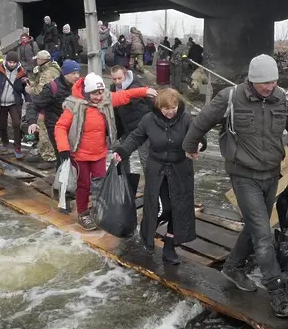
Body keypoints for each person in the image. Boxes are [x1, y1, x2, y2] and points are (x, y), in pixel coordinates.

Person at [182, 54, 288, 319]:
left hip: (271, 173)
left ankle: (233, 267)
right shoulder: (230, 97)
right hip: (243, 175)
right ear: (252, 79)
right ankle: (276, 291)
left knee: (255, 225)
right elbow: (202, 121)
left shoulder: (282, 97)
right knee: (264, 234)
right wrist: (190, 146)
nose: (269, 87)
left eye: (273, 81)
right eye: (264, 83)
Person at [113, 88, 206, 264]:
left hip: (181, 170)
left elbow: (198, 136)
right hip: (157, 170)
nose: (171, 112)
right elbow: (135, 137)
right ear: (159, 107)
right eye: (166, 109)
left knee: (178, 210)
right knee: (162, 207)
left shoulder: (186, 119)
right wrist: (122, 151)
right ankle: (147, 234)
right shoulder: (149, 119)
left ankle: (169, 246)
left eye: (174, 107)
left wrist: (199, 145)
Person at [54, 72, 157, 230]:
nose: (99, 96)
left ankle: (98, 210)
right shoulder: (74, 105)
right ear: (87, 92)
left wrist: (144, 91)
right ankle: (83, 213)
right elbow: (60, 127)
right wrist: (63, 148)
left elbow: (124, 95)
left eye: (101, 92)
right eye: (95, 93)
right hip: (79, 154)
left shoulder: (106, 100)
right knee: (84, 185)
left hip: (99, 152)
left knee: (100, 183)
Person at [25, 59, 81, 169]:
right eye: (73, 73)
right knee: (63, 158)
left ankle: (72, 181)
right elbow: (34, 104)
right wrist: (32, 122)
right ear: (65, 74)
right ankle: (62, 182)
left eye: (78, 73)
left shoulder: (79, 86)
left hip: (74, 127)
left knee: (76, 158)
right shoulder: (52, 88)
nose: (77, 76)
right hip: (56, 128)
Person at [0, 51, 30, 158]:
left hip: (14, 103)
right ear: (6, 61)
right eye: (10, 62)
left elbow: (25, 89)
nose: (12, 64)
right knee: (2, 125)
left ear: (17, 62)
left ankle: (17, 147)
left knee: (17, 124)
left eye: (14, 62)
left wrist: (28, 100)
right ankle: (4, 142)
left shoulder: (22, 72)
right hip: (0, 102)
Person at [110, 65, 152, 174]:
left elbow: (150, 106)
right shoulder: (113, 89)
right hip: (126, 130)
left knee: (145, 159)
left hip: (142, 130)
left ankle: (152, 186)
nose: (117, 81)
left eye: (120, 78)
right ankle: (124, 183)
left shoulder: (136, 87)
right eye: (114, 79)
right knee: (121, 156)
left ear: (125, 75)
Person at [25, 50, 61, 164]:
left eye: (38, 59)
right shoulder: (47, 69)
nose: (36, 61)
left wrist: (30, 90)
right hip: (49, 104)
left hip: (48, 105)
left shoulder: (48, 73)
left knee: (44, 129)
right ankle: (43, 152)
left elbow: (41, 91)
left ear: (41, 60)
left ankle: (49, 157)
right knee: (42, 128)